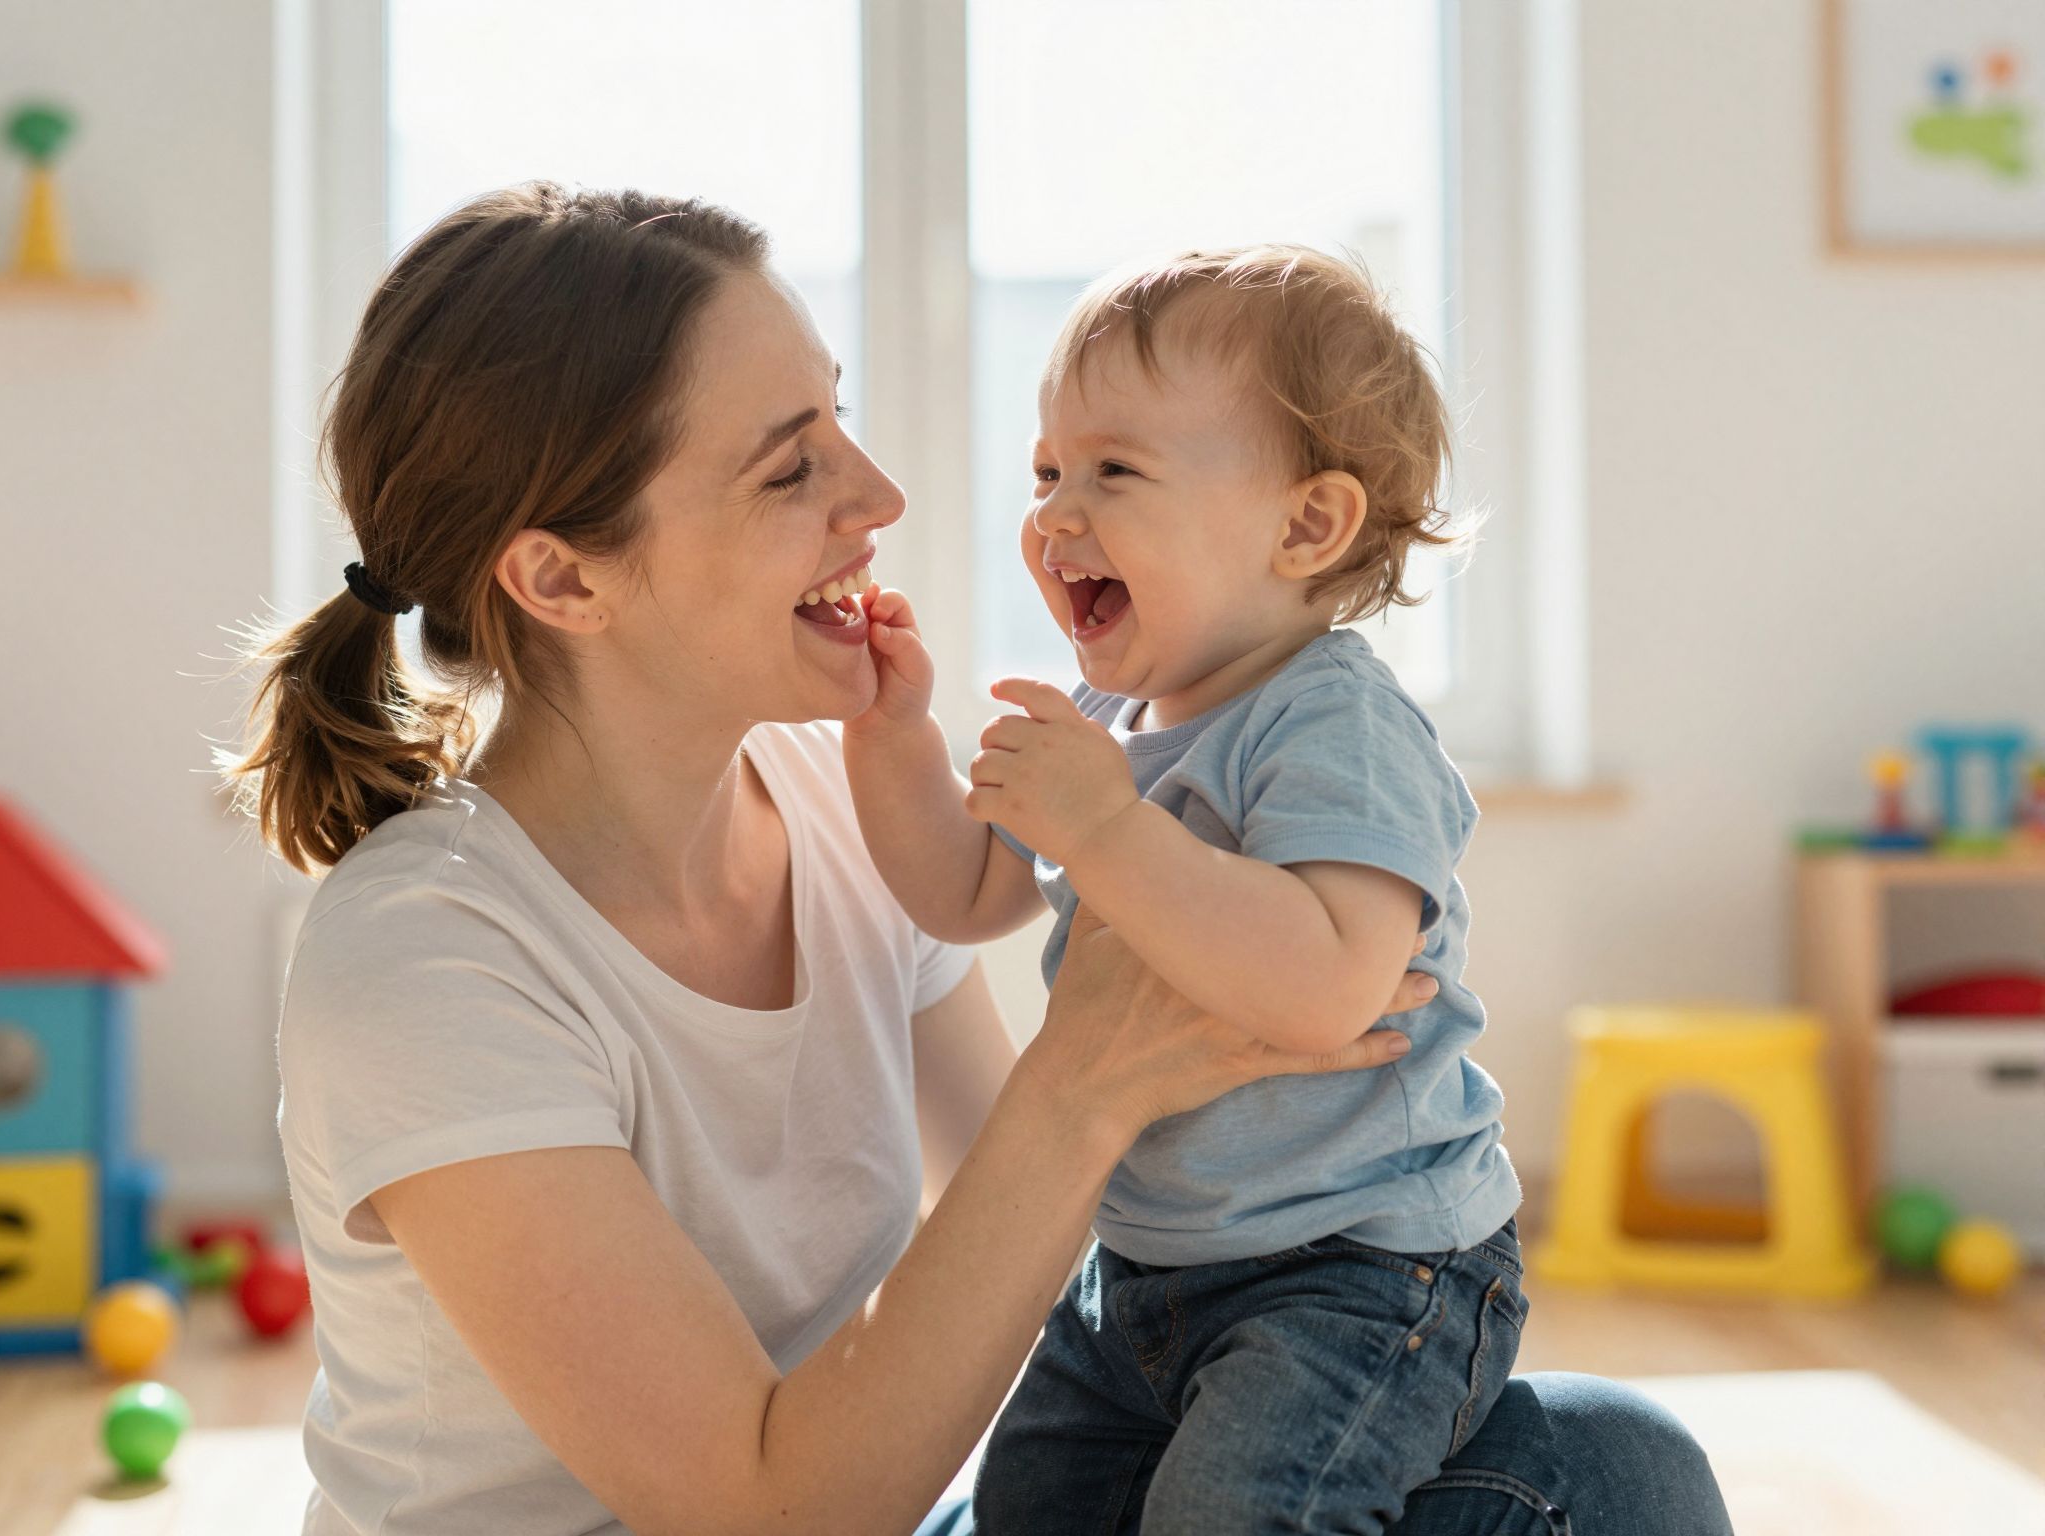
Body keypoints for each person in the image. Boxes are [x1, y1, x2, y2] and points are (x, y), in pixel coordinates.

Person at [225, 183, 1731, 1536]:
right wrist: (1092, 1075)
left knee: (1610, 1461)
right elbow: (766, 1507)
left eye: (841, 418)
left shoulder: (834, 806)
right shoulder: (425, 959)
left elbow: (1029, 1217)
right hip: (788, 1514)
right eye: (789, 468)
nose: (877, 498)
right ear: (562, 576)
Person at [846, 246, 1521, 1533]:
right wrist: (891, 736)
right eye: (1045, 472)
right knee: (1023, 1510)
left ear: (1304, 526)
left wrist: (1105, 826)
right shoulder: (1109, 714)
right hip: (1143, 1265)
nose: (1055, 514)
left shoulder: (1334, 722)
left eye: (1112, 471)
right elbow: (965, 894)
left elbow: (1325, 988)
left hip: (1357, 1273)